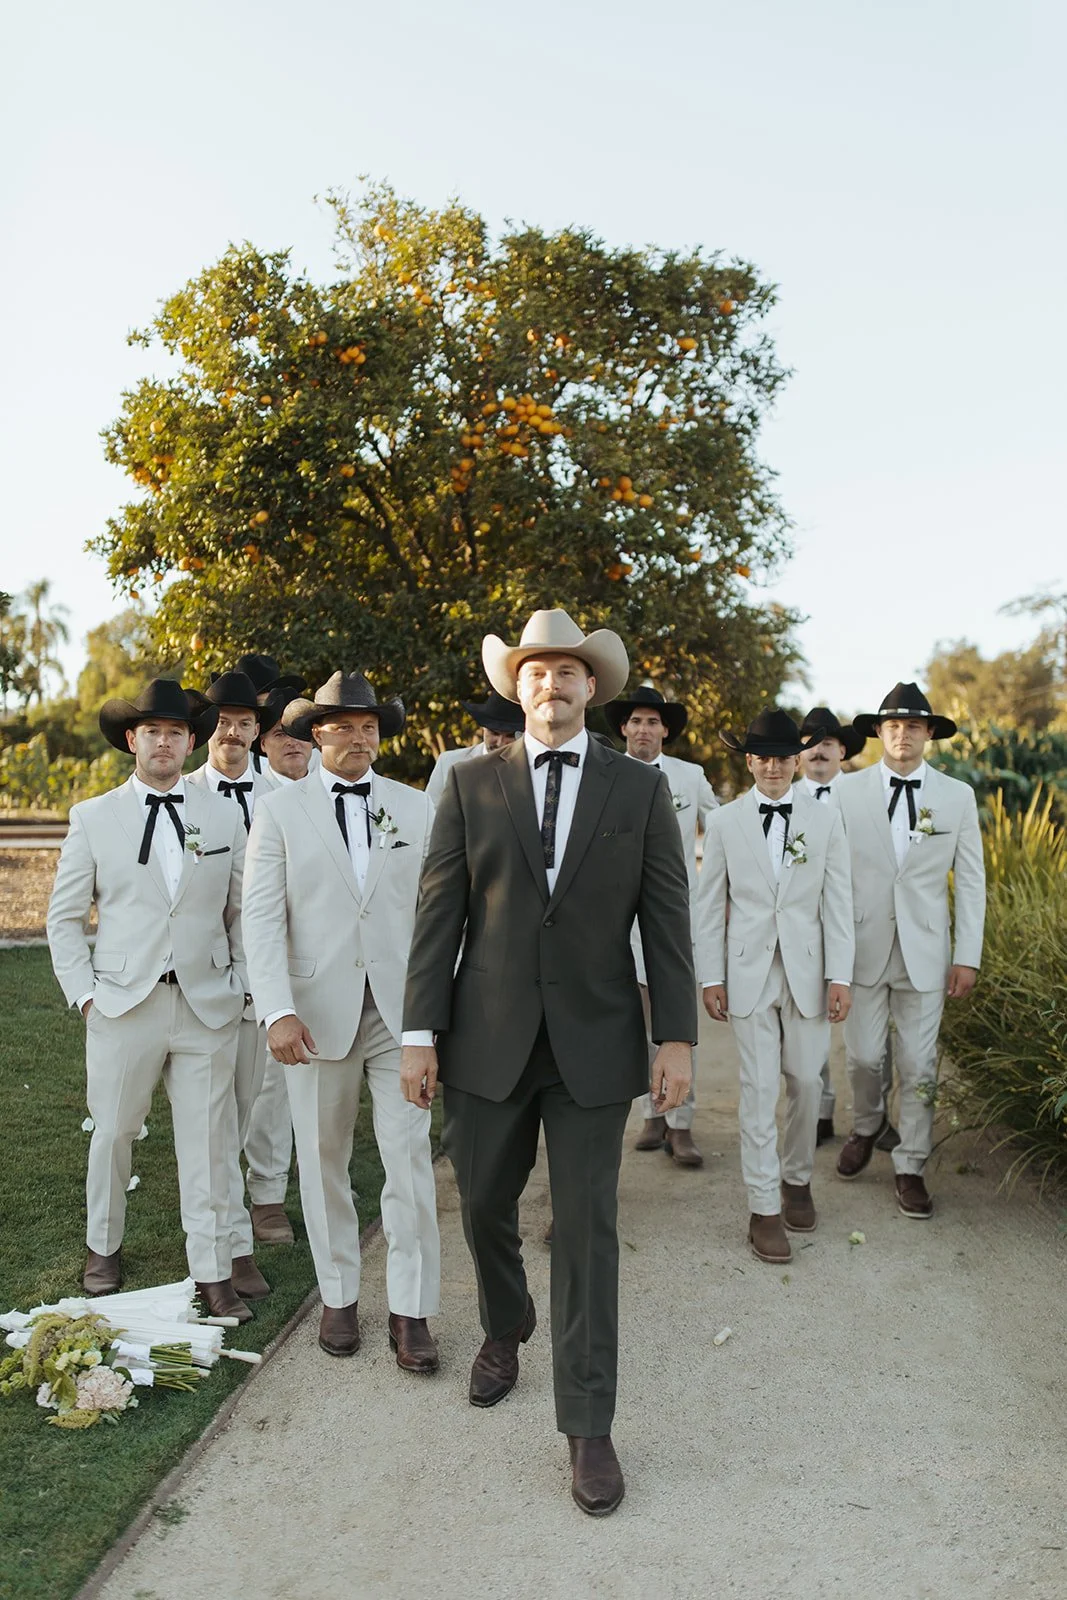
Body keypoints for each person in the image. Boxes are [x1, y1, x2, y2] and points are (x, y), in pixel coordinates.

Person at [401, 608, 696, 1517]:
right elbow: (438, 913)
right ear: (517, 687)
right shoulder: (467, 783)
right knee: (484, 1201)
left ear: (590, 688)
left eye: (568, 672)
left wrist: (674, 1037)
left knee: (586, 1227)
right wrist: (419, 1033)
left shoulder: (640, 790)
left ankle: (588, 1426)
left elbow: (666, 922)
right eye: (536, 672)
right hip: (484, 1037)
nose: (552, 685)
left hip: (594, 1046)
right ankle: (505, 1323)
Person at [242, 671, 441, 1370]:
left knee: (408, 1160)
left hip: (401, 1018)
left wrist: (431, 1024)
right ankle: (338, 1296)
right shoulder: (281, 812)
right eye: (345, 727)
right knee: (322, 1160)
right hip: (315, 1019)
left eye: (370, 727)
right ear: (316, 734)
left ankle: (412, 1310)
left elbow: (437, 920)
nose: (359, 739)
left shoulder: (415, 809)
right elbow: (262, 921)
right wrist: (277, 1011)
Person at [46, 679, 251, 1320]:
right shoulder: (94, 817)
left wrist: (241, 983)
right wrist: (86, 996)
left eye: (177, 732)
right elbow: (63, 918)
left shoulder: (223, 816)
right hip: (122, 1004)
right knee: (113, 1131)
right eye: (152, 732)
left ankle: (212, 1271)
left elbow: (244, 909)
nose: (165, 742)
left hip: (206, 1005)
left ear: (192, 742)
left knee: (209, 1143)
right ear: (133, 740)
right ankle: (103, 1245)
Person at [694, 709, 854, 1265]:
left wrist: (841, 976)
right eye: (762, 757)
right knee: (760, 1088)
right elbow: (709, 904)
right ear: (749, 760)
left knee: (807, 1083)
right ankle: (763, 1208)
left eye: (783, 757)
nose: (773, 767)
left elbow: (838, 902)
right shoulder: (725, 822)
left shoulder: (825, 820)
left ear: (796, 761)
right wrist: (711, 975)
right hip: (748, 972)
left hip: (807, 970)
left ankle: (797, 1178)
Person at [835, 683, 986, 1218]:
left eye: (914, 726)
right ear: (878, 732)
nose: (903, 735)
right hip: (861, 949)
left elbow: (971, 881)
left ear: (929, 735)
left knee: (920, 1067)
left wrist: (967, 954)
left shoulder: (956, 796)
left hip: (927, 953)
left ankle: (910, 1165)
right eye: (893, 726)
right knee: (862, 1057)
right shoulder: (844, 793)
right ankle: (866, 1123)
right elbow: (831, 876)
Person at [186, 671, 276, 1286]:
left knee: (258, 1105)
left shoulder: (284, 794)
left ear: (257, 732)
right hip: (204, 985)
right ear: (208, 731)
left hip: (267, 979)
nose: (234, 731)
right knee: (213, 1118)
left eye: (245, 722)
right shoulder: (180, 795)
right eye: (223, 721)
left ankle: (252, 1204)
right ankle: (231, 1243)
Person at [605, 683, 719, 1167]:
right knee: (627, 1027)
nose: (643, 729)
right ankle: (651, 1116)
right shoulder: (604, 774)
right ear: (624, 729)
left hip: (673, 917)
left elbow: (720, 829)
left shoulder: (689, 777)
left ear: (665, 730)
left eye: (652, 721)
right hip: (614, 921)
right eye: (635, 721)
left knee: (673, 1022)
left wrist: (713, 888)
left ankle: (682, 1125)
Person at [796, 707, 898, 1151]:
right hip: (803, 931)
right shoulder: (780, 796)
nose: (819, 747)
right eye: (810, 741)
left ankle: (878, 1116)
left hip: (863, 930)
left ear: (843, 751)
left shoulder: (867, 798)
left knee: (872, 1036)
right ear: (798, 753)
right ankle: (819, 1112)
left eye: (829, 741)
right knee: (806, 1021)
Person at [240, 682, 313, 1243]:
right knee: (267, 1087)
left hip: (330, 966)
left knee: (324, 1079)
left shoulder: (337, 792)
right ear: (263, 743)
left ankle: (318, 1178)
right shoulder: (247, 797)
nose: (291, 742)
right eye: (278, 733)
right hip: (261, 964)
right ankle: (266, 1196)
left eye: (299, 732)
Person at [425, 689, 525, 804]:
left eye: (510, 735)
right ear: (483, 728)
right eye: (494, 733)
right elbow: (431, 815)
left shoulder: (533, 768)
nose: (500, 742)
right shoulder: (449, 763)